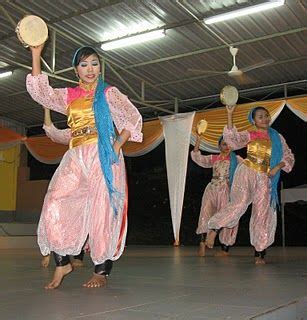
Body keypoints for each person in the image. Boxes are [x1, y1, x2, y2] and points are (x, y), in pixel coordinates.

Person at [26, 45, 143, 289]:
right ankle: (62, 262)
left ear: (100, 67)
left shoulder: (109, 93)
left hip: (103, 153)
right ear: (76, 70)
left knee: (103, 209)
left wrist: (118, 145)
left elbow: (132, 118)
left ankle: (101, 270)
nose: (90, 69)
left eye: (94, 63)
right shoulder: (69, 95)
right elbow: (41, 92)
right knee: (55, 201)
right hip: (76, 153)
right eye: (84, 65)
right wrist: (36, 53)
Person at [206, 106, 294, 264]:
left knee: (262, 213)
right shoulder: (250, 134)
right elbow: (232, 139)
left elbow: (288, 155)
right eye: (260, 116)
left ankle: (259, 253)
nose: (265, 119)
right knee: (239, 203)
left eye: (266, 115)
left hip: (265, 177)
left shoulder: (277, 137)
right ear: (253, 120)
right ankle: (214, 228)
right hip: (247, 172)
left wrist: (277, 166)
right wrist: (229, 114)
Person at [41, 108, 85, 268]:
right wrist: (46, 109)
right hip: (71, 174)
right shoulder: (74, 133)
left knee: (83, 215)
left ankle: (80, 255)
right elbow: (53, 133)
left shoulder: (100, 129)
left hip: (91, 178)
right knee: (52, 203)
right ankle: (51, 252)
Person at [191, 134, 239, 257]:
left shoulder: (236, 159)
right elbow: (198, 157)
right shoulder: (214, 158)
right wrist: (198, 141)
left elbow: (249, 168)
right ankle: (202, 242)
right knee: (205, 213)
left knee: (225, 216)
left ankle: (225, 248)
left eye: (229, 144)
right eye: (224, 144)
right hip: (212, 188)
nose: (227, 146)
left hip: (226, 190)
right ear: (219, 146)